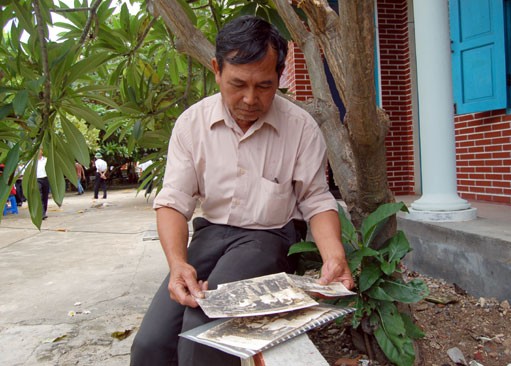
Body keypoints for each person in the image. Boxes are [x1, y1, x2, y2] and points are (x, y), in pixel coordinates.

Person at [130, 16, 354, 366]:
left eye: (264, 86)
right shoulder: (192, 123)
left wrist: (333, 255)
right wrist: (178, 264)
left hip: (269, 237)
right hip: (210, 236)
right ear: (216, 69)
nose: (250, 99)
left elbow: (316, 199)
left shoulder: (301, 128)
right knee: (150, 345)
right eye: (238, 84)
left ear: (279, 76)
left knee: (204, 332)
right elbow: (173, 201)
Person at [36, 148, 49, 219]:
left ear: (42, 151)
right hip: (37, 179)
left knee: (45, 196)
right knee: (39, 196)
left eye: (40, 150)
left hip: (45, 179)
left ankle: (44, 211)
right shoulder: (33, 161)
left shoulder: (46, 160)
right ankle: (42, 213)